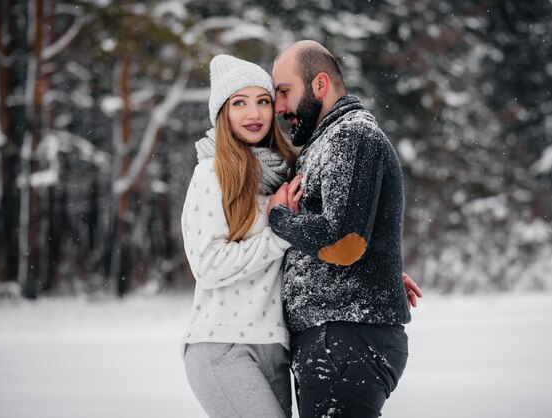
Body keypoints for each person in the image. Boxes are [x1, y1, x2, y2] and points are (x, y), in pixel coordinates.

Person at [267, 40, 420, 417]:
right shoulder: (328, 143)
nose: (279, 108)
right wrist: (381, 269)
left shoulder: (350, 136)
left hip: (344, 336)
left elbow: (344, 242)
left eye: (284, 92)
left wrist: (279, 218)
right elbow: (355, 232)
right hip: (337, 335)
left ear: (320, 85)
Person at [180, 54, 298, 418]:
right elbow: (209, 265)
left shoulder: (285, 173)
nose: (255, 114)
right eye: (240, 103)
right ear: (223, 113)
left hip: (275, 346)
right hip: (222, 343)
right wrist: (279, 231)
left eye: (263, 101)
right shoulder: (211, 173)